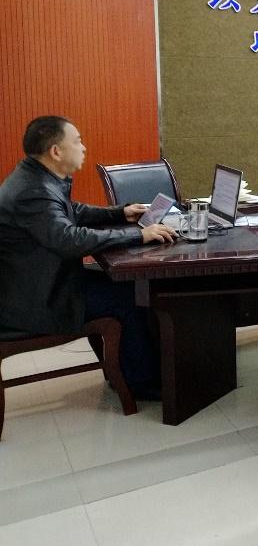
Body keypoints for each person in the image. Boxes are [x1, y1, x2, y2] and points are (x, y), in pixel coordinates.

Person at [0, 116, 176, 399]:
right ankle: (142, 383)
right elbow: (68, 239)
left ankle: (134, 371)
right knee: (132, 295)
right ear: (56, 151)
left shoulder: (35, 177)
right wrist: (138, 235)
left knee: (129, 285)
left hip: (39, 283)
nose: (83, 147)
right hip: (37, 300)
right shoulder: (33, 192)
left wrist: (120, 213)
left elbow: (71, 211)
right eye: (77, 141)